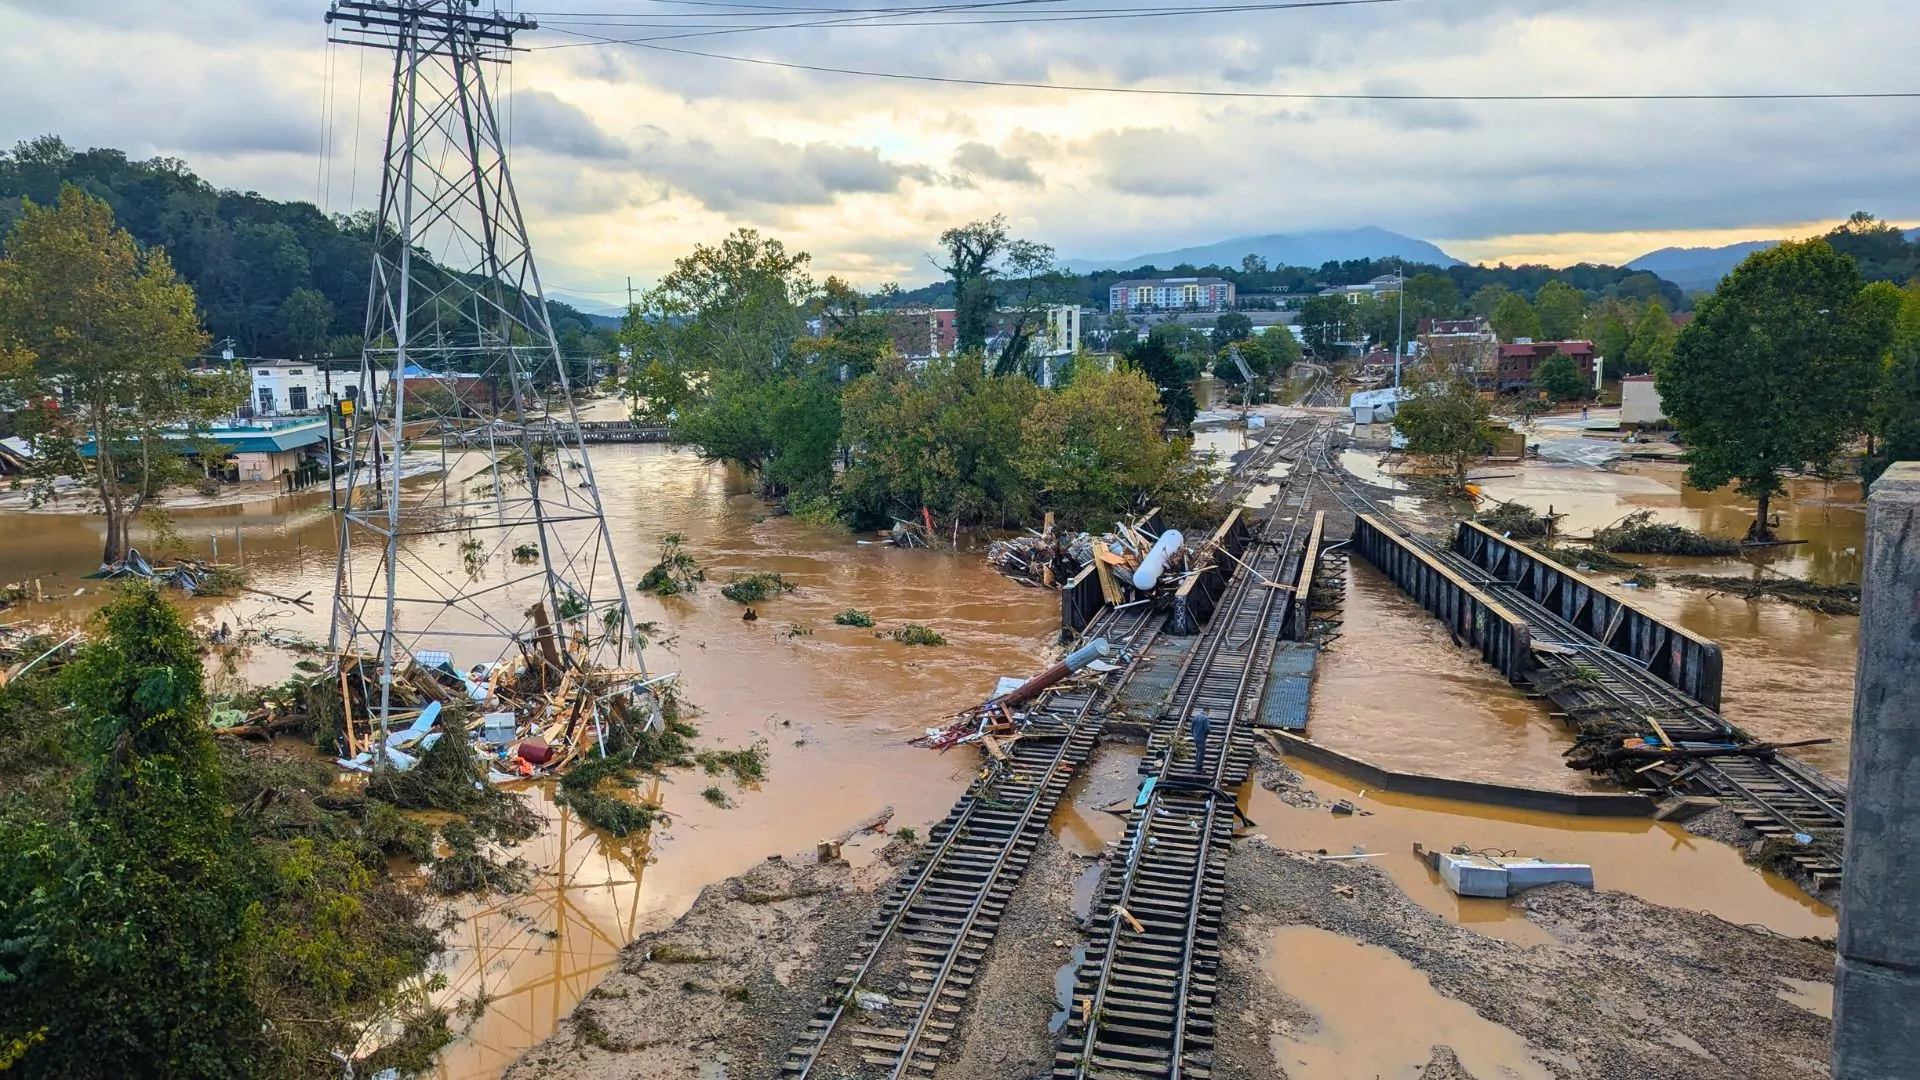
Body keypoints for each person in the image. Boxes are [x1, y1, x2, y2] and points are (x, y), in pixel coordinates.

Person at [1188, 709, 1212, 774]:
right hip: (1201, 737)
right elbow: (1207, 728)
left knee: (1198, 751)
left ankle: (1197, 764)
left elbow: (1192, 727)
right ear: (1207, 711)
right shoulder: (1205, 718)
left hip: (1195, 736)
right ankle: (1199, 768)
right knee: (1201, 752)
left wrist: (1193, 734)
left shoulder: (1196, 716)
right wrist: (1209, 731)